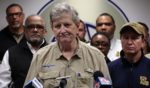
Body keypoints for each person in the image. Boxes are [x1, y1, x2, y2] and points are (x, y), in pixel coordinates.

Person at [24, 3, 110, 88]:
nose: (63, 30)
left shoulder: (96, 56)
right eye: (57, 26)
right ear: (52, 29)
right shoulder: (40, 56)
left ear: (77, 26)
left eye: (67, 25)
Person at [0, 15, 48, 88]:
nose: (35, 30)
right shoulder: (11, 53)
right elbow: (3, 84)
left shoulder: (54, 52)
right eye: (31, 27)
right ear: (25, 30)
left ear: (45, 31)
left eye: (39, 27)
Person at [108, 22, 150, 88]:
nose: (129, 42)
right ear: (121, 40)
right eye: (126, 37)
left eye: (134, 38)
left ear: (143, 41)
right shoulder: (111, 68)